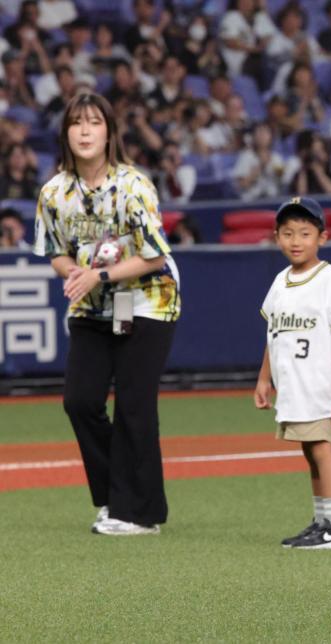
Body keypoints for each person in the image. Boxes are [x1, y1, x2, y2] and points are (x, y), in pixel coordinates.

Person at [32, 92, 180, 536]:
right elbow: (55, 252)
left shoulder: (134, 185)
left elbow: (155, 256)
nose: (84, 130)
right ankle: (116, 499)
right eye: (76, 123)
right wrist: (75, 271)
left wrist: (100, 275)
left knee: (135, 405)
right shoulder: (54, 192)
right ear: (65, 133)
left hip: (149, 300)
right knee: (80, 401)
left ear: (109, 132)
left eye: (94, 122)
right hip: (92, 306)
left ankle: (141, 513)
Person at [254, 196, 331, 550]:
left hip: (316, 382)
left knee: (321, 449)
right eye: (288, 233)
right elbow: (274, 333)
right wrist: (263, 378)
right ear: (277, 238)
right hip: (291, 386)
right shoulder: (280, 281)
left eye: (305, 232)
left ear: (323, 237)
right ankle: (322, 521)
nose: (296, 240)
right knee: (309, 450)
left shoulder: (329, 278)